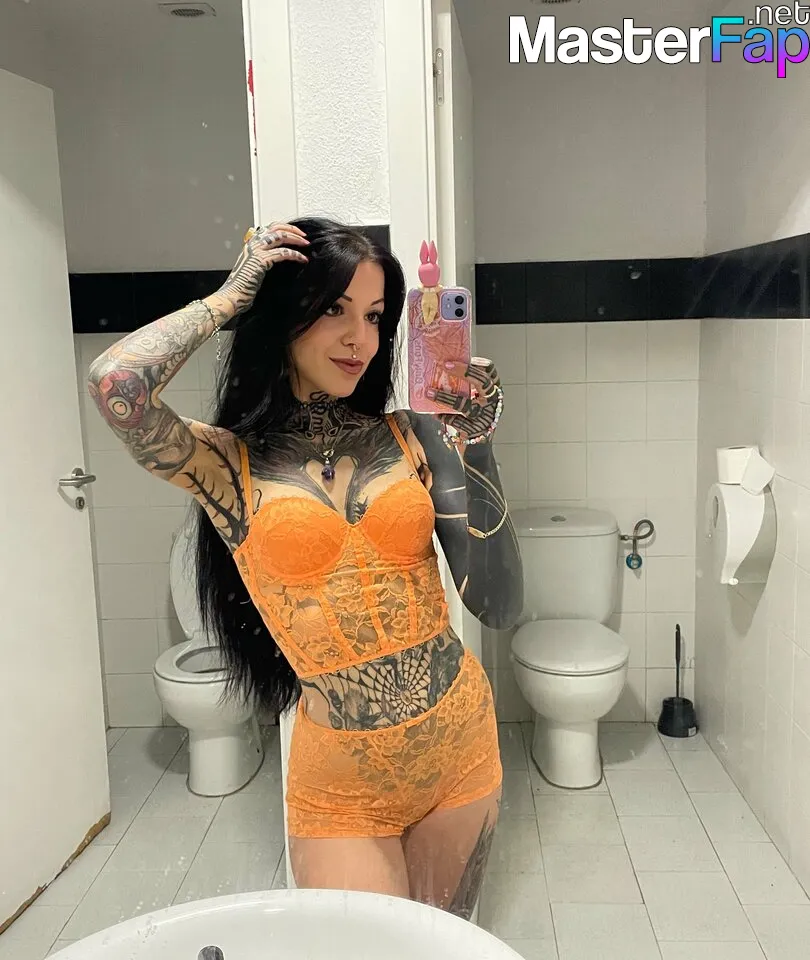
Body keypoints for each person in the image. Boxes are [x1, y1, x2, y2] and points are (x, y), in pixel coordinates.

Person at [87, 217, 523, 918]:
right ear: (286, 314)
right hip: (342, 788)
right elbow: (117, 384)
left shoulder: (413, 436)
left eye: (375, 317)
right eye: (334, 310)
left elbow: (498, 605)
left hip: (461, 748)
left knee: (445, 945)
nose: (360, 339)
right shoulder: (227, 464)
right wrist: (230, 298)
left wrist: (481, 451)